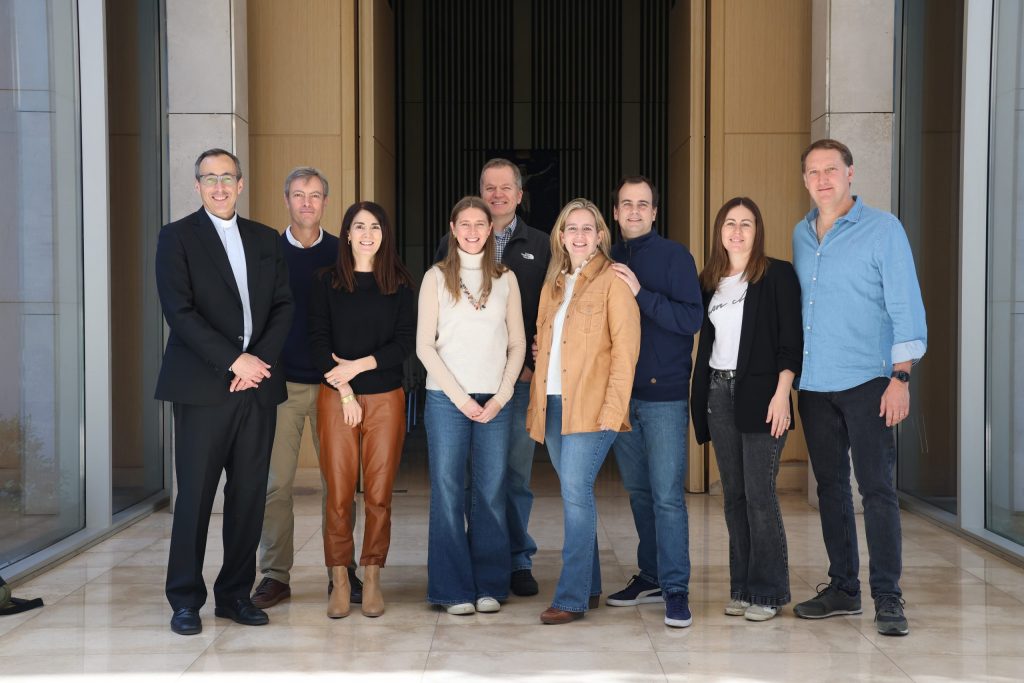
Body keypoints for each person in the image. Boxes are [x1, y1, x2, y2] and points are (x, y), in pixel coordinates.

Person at [155, 148, 293, 635]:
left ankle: (235, 594)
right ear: (197, 186)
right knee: (194, 497)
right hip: (202, 388)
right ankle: (185, 600)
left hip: (256, 389)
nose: (218, 186)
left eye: (227, 177)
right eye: (209, 178)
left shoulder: (263, 238)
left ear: (240, 183)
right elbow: (180, 311)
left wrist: (256, 365)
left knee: (249, 495)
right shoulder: (176, 238)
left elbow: (282, 305)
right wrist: (234, 360)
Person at [792, 138, 927, 636]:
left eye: (832, 169)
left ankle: (888, 597)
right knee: (830, 489)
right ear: (804, 180)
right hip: (815, 386)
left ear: (851, 174)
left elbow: (905, 308)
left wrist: (901, 378)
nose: (822, 179)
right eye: (813, 172)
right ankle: (843, 589)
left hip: (871, 382)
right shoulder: (801, 235)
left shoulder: (883, 230)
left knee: (876, 491)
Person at [435, 159, 550, 596]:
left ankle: (517, 558)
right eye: (490, 187)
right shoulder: (450, 244)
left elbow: (549, 309)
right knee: (469, 477)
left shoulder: (541, 245)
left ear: (520, 195)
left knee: (514, 476)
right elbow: (439, 317)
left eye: (506, 188)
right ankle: (472, 556)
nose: (498, 194)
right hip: (464, 384)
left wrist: (530, 367)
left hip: (517, 382)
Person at [251, 167, 363, 609]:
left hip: (332, 388)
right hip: (280, 387)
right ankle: (275, 575)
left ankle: (343, 570)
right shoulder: (265, 252)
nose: (307, 203)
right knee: (276, 485)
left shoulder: (343, 252)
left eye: (315, 196)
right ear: (286, 199)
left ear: (325, 202)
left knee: (339, 484)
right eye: (298, 195)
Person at [526, 198, 640, 625]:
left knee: (575, 495)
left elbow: (626, 353)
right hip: (555, 405)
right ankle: (590, 586)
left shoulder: (613, 281)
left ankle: (571, 597)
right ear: (560, 236)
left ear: (600, 236)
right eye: (570, 228)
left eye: (587, 228)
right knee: (576, 495)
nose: (578, 236)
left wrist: (614, 411)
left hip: (593, 409)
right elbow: (545, 344)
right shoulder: (554, 283)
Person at [690, 197, 802, 622]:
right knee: (733, 497)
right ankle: (742, 589)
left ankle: (769, 592)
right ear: (719, 231)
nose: (737, 231)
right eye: (730, 224)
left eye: (746, 224)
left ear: (758, 231)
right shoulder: (710, 281)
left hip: (763, 396)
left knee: (760, 495)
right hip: (718, 394)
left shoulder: (777, 275)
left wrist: (782, 394)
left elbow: (791, 341)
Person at [418, 196, 526, 615]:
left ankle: (490, 585)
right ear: (453, 227)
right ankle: (452, 588)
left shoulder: (506, 279)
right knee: (447, 490)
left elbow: (516, 343)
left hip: (496, 401)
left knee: (490, 490)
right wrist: (461, 398)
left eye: (481, 224)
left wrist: (501, 396)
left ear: (491, 229)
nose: (473, 231)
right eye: (465, 223)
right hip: (447, 399)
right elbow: (424, 347)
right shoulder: (434, 278)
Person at [309, 200, 416, 618]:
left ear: (384, 235)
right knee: (338, 495)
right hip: (337, 398)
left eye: (375, 226)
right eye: (358, 226)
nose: (367, 234)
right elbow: (318, 341)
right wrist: (348, 391)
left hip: (387, 398)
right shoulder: (326, 282)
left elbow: (404, 344)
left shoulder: (400, 284)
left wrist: (359, 366)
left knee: (378, 495)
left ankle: (371, 577)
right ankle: (339, 578)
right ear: (347, 234)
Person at [605, 176, 703, 628]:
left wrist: (640, 293)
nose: (635, 211)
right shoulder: (606, 257)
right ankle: (652, 575)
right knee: (641, 493)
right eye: (627, 204)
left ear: (655, 212)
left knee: (666, 497)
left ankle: (677, 590)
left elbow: (690, 319)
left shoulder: (675, 256)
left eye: (643, 204)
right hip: (622, 398)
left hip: (663, 396)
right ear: (616, 212)